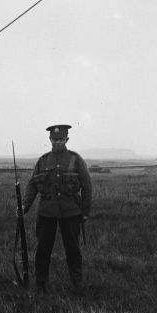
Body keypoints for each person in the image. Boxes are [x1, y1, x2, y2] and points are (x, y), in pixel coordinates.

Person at [22, 124, 93, 292]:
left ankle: (78, 283)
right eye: (55, 139)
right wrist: (25, 205)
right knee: (43, 249)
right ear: (50, 140)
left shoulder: (76, 159)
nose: (58, 142)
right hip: (47, 212)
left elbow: (87, 185)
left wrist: (85, 212)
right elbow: (33, 185)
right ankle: (41, 284)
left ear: (67, 139)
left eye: (61, 139)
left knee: (73, 249)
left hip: (71, 212)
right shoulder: (43, 160)